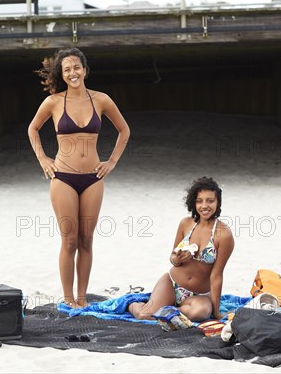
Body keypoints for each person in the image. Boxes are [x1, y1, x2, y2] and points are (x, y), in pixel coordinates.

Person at [28, 48, 131, 308]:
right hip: (62, 177)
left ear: (85, 70)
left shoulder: (101, 100)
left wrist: (112, 162)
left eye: (76, 67)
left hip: (93, 178)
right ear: (61, 75)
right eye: (66, 69)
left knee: (87, 239)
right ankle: (67, 298)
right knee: (69, 240)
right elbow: (33, 129)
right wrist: (43, 159)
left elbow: (124, 130)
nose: (72, 73)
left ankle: (82, 299)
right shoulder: (53, 102)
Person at [128, 177, 234, 321]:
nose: (204, 206)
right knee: (143, 316)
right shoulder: (186, 224)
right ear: (193, 202)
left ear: (218, 202)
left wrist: (216, 313)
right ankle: (134, 304)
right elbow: (173, 258)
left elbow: (216, 276)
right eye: (199, 201)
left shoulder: (224, 234)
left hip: (200, 294)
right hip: (172, 283)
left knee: (200, 313)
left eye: (210, 201)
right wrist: (177, 259)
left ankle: (165, 311)